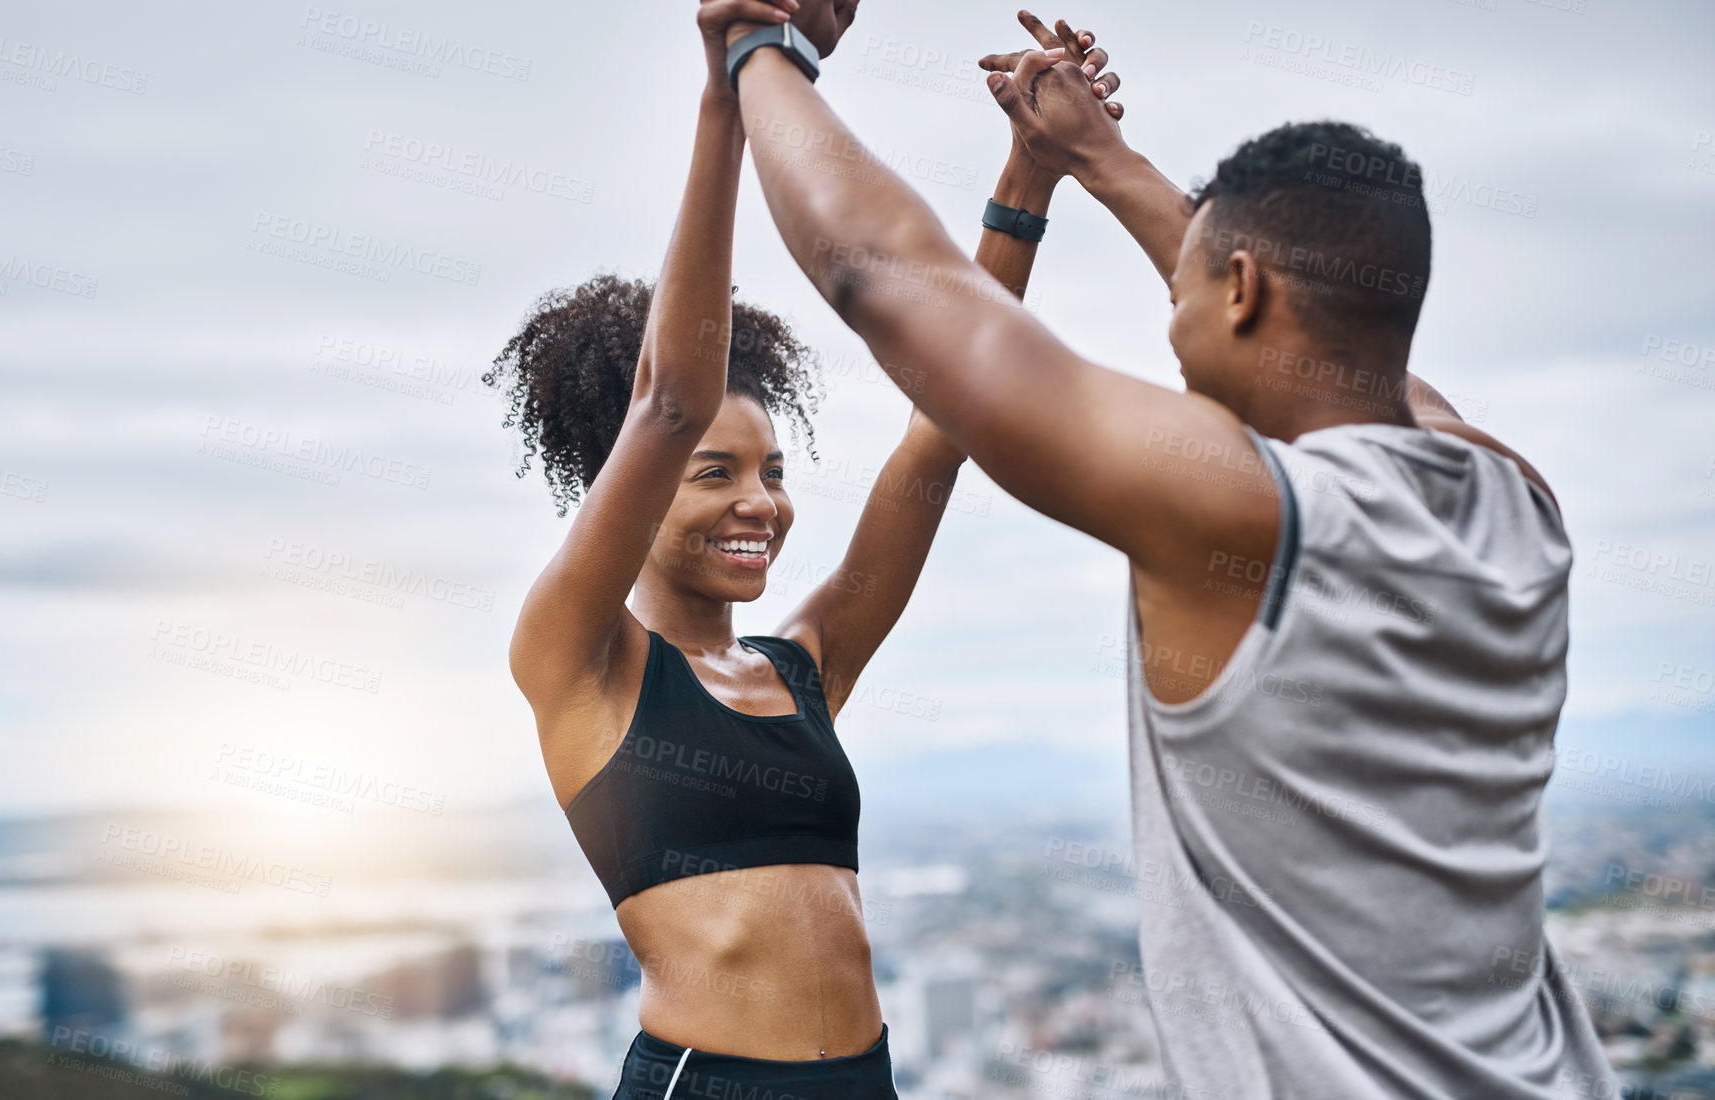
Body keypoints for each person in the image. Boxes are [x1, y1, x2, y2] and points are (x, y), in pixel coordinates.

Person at [716, 5, 1621, 1097]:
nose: (1170, 325)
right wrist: (1094, 155)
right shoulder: (1516, 496)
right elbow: (1362, 378)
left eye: (1183, 292)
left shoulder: (1251, 520)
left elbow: (892, 282)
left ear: (1241, 290)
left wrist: (760, 48)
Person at [493, 3, 1111, 1094]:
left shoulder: (800, 666)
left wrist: (1027, 177)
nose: (758, 504)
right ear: (627, 490)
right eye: (713, 471)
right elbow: (671, 399)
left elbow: (936, 442)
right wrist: (734, 83)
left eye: (773, 472)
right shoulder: (579, 660)